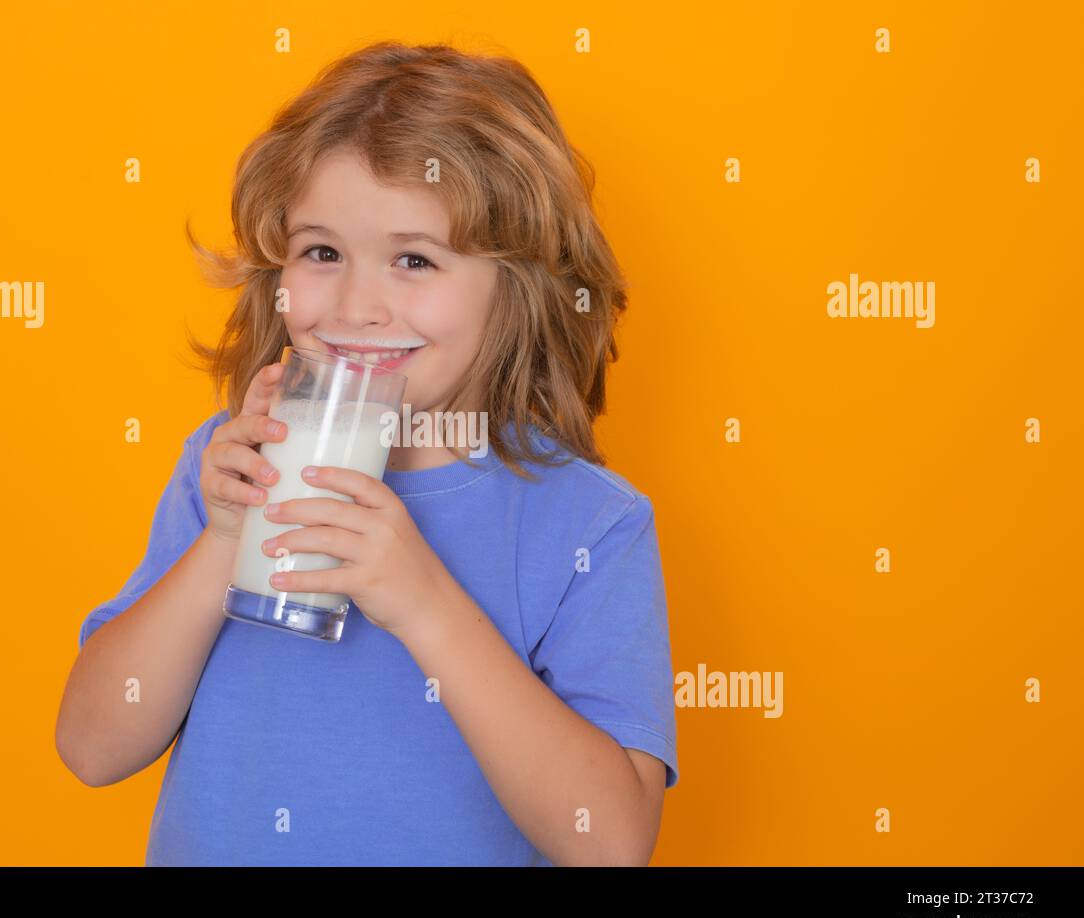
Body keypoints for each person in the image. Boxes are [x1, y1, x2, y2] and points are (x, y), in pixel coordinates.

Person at [56, 40, 679, 866]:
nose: (356, 304)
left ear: (519, 290)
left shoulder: (590, 523)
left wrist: (425, 603)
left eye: (414, 259)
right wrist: (222, 540)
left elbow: (610, 844)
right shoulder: (227, 466)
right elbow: (93, 747)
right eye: (322, 252)